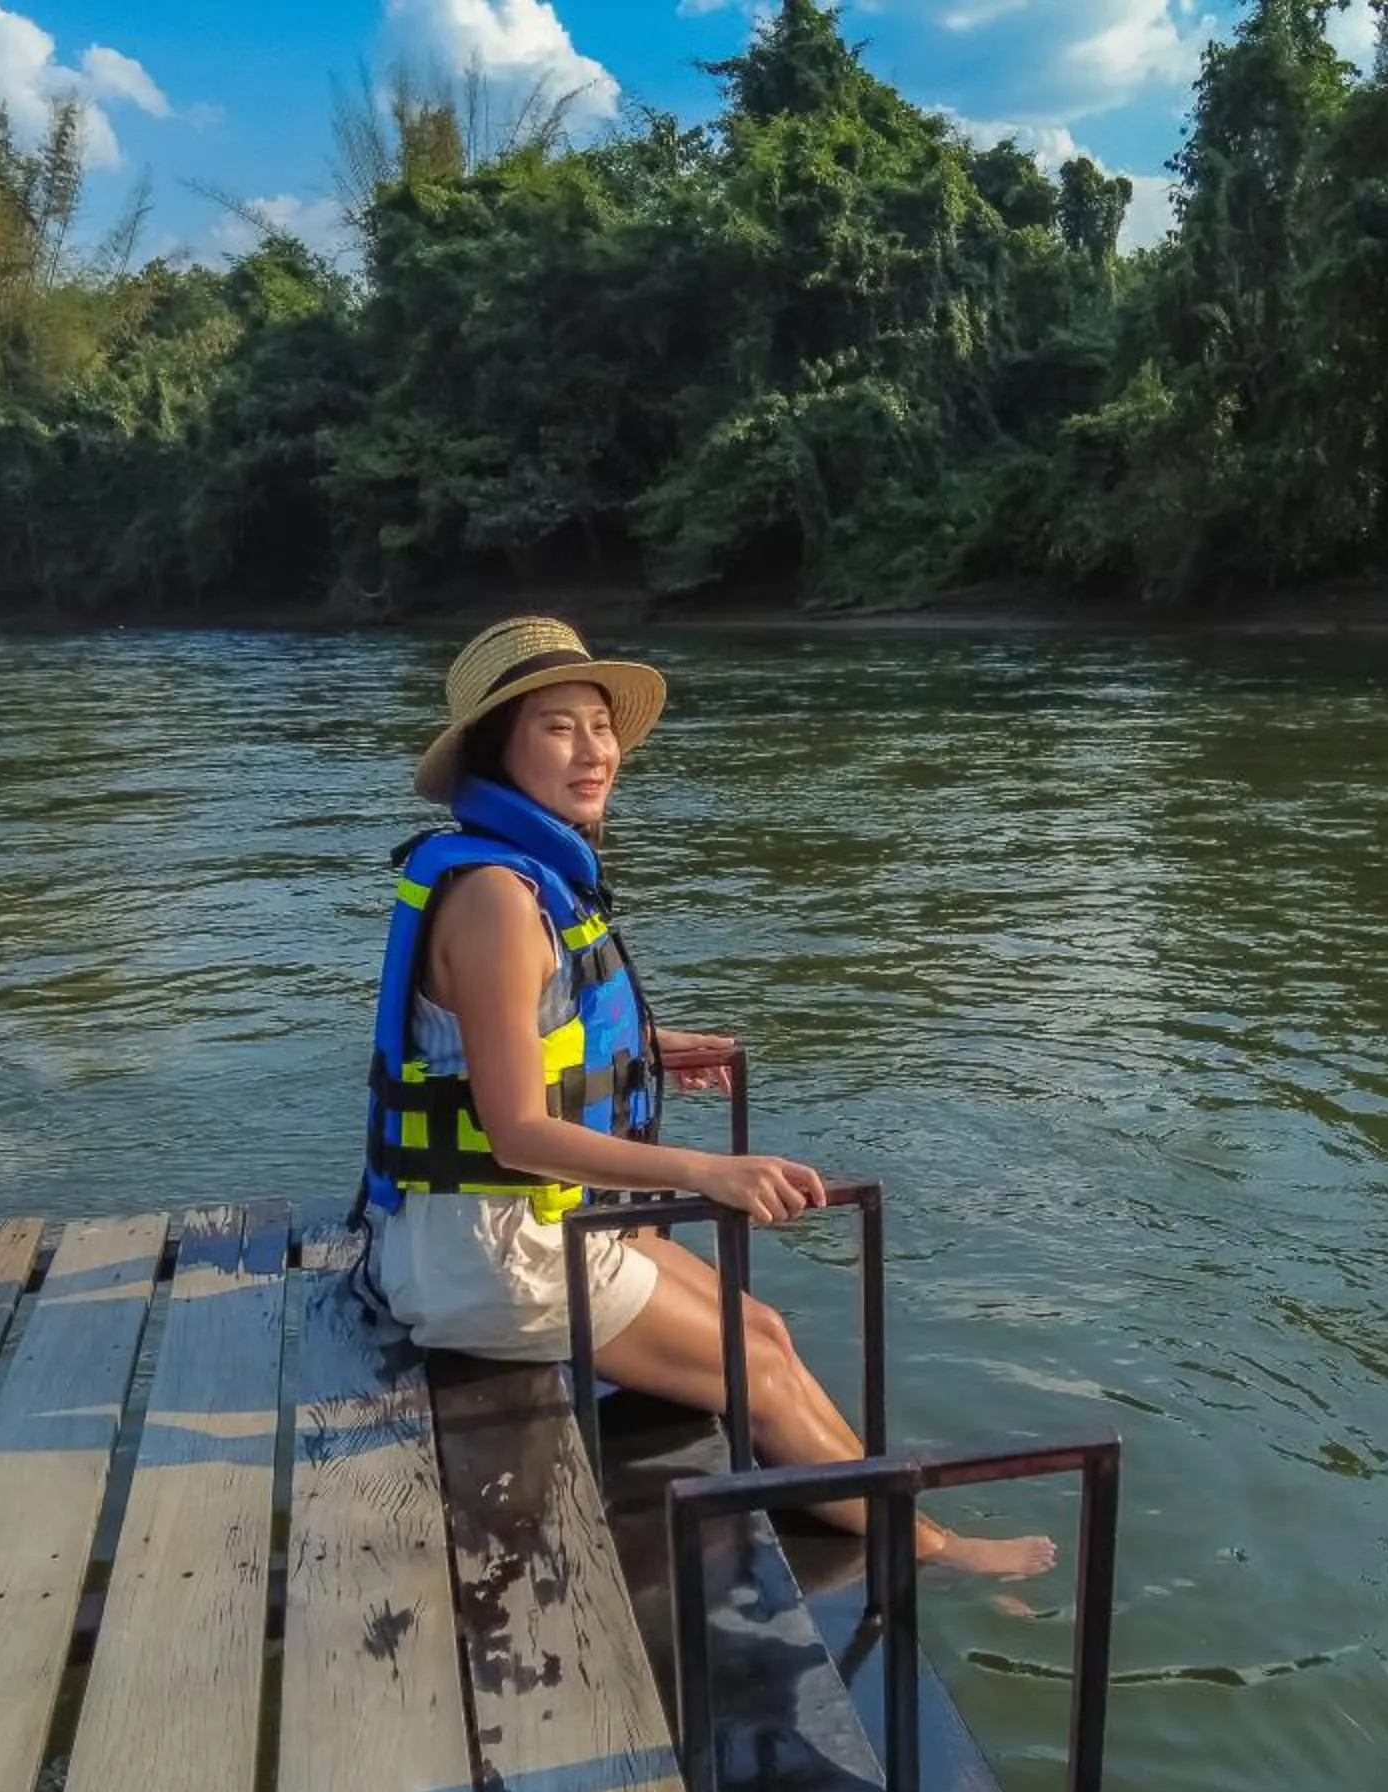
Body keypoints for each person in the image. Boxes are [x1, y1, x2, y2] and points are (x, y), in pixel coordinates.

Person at [359, 617, 1056, 1579]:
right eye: (559, 728)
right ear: (498, 747)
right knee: (758, 1370)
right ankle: (933, 1552)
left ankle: (886, 1509)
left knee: (762, 1327)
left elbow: (514, 1048)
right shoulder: (499, 900)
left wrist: (644, 1050)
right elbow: (518, 1131)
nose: (595, 751)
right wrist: (709, 1172)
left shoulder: (514, 876)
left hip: (505, 1230)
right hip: (493, 1260)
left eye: (601, 726)